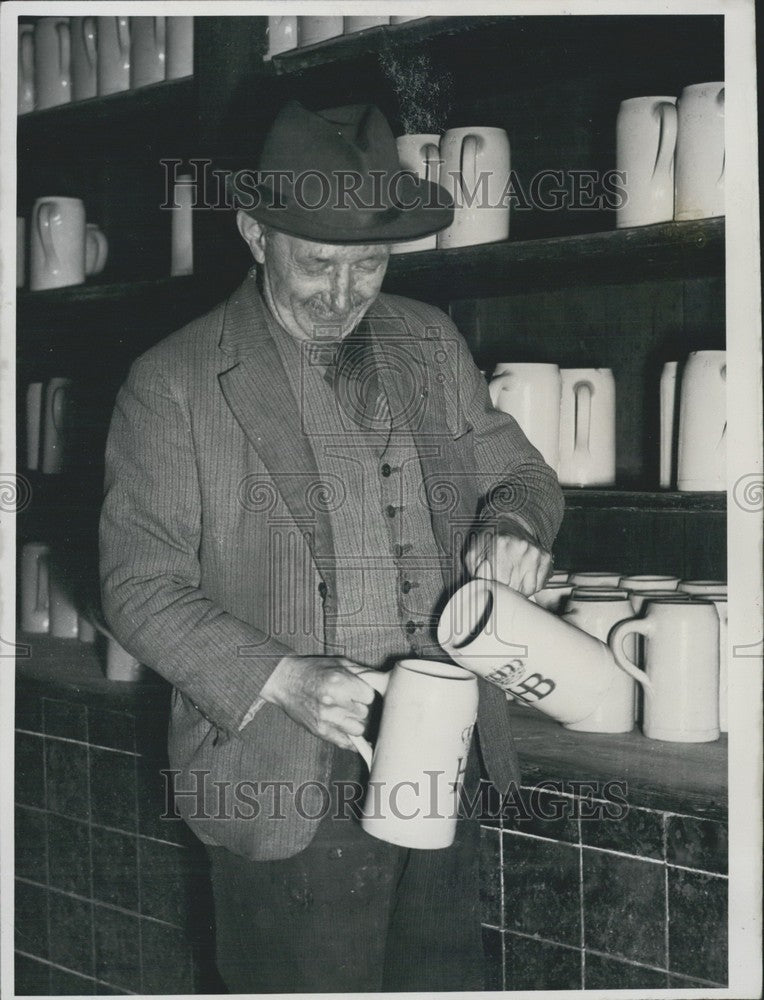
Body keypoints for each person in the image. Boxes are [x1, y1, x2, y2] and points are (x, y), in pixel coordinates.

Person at [99, 101, 564, 993]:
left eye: (371, 266)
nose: (345, 296)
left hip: (441, 760)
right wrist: (286, 677)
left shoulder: (426, 342)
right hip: (283, 780)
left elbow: (526, 479)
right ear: (253, 232)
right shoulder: (175, 383)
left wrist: (512, 526)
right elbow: (138, 586)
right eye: (318, 265)